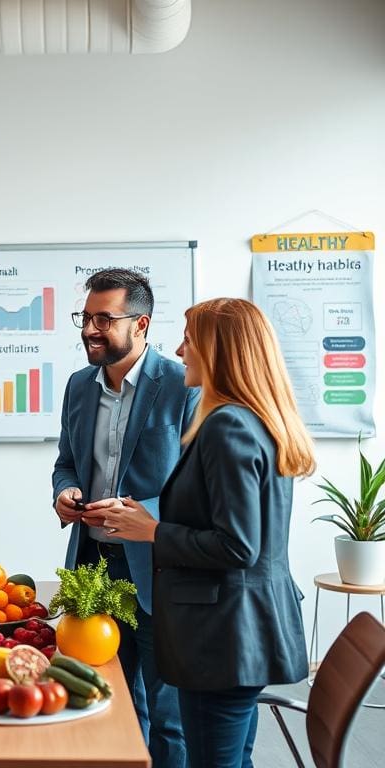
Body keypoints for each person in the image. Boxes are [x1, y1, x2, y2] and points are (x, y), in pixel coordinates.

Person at [88, 298, 314, 768]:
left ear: (219, 350)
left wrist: (153, 532)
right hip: (239, 635)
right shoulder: (256, 421)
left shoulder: (227, 426)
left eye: (190, 339)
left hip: (223, 638)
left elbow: (237, 546)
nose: (179, 349)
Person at [52, 268, 198, 768]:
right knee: (107, 699)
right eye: (85, 317)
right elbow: (67, 461)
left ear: (141, 325)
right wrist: (65, 491)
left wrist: (144, 514)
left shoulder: (183, 384)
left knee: (167, 710)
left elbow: (199, 486)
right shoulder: (77, 386)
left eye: (103, 319)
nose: (89, 329)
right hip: (93, 567)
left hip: (160, 569)